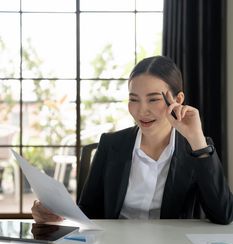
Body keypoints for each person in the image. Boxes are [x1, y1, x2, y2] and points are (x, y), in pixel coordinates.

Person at [32, 55, 233, 225]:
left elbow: (223, 215)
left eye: (153, 99)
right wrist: (56, 215)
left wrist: (196, 140)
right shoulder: (111, 145)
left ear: (178, 100)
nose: (141, 110)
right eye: (133, 99)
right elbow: (89, 211)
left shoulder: (196, 148)